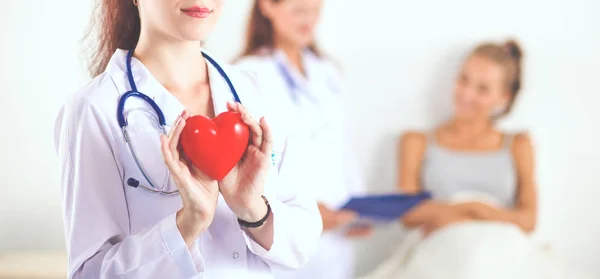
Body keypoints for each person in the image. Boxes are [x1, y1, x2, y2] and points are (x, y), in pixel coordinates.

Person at [53, 0, 323, 278]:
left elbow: (303, 241)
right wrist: (186, 225)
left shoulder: (260, 91)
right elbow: (90, 273)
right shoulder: (93, 109)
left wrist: (254, 210)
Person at [234, 0, 371, 278]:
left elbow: (343, 146)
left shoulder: (327, 71)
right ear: (267, 7)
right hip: (284, 230)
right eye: (299, 11)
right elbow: (250, 163)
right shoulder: (246, 74)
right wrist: (308, 208)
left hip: (337, 235)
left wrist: (361, 204)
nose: (309, 20)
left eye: (316, 11)